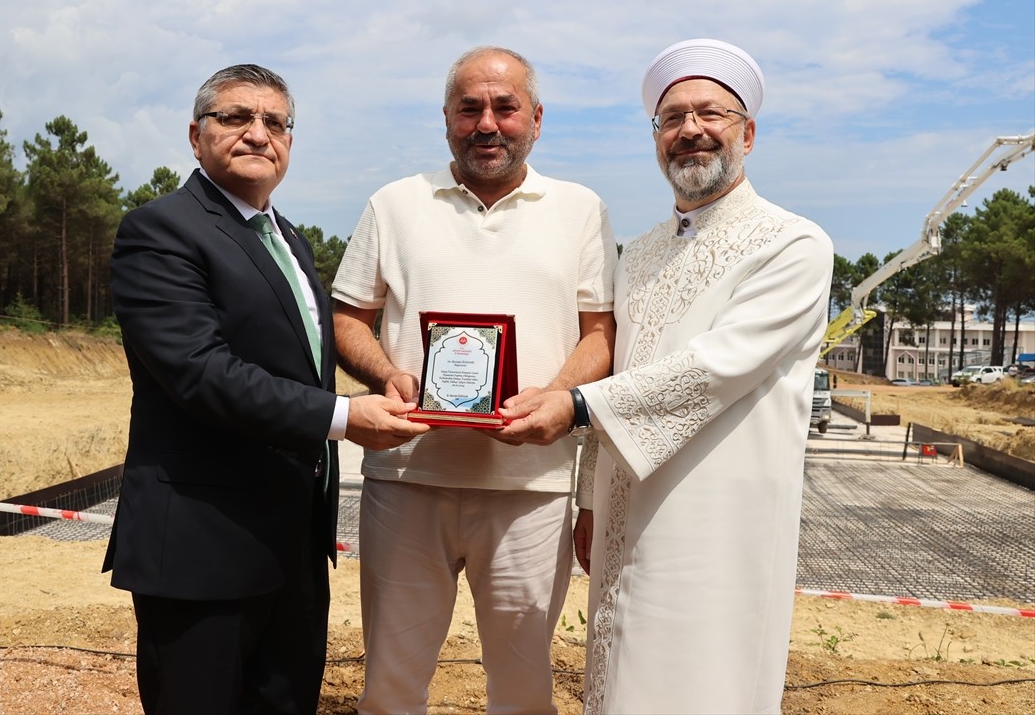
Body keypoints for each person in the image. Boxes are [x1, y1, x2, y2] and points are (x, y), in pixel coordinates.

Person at [501, 38, 834, 714]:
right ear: (657, 139)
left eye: (709, 113)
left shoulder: (794, 243)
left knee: (705, 681)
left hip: (720, 520)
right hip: (626, 510)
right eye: (672, 118)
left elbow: (715, 368)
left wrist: (573, 405)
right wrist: (593, 501)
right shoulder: (642, 252)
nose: (690, 131)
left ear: (749, 131)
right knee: (622, 678)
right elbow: (625, 366)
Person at [102, 63, 427, 714]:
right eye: (236, 118)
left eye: (275, 122)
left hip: (292, 547)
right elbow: (200, 371)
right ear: (196, 137)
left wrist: (388, 374)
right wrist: (342, 416)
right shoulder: (161, 230)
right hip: (201, 549)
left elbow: (301, 358)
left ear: (289, 143)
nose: (258, 133)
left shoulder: (291, 243)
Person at [332, 46, 617, 714]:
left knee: (522, 689)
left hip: (531, 486)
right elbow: (348, 317)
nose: (487, 123)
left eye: (505, 107)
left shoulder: (579, 209)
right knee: (391, 684)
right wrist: (387, 373)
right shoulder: (395, 203)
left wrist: (557, 401)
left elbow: (600, 332)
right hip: (407, 480)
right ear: (447, 119)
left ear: (537, 119)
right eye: (469, 109)